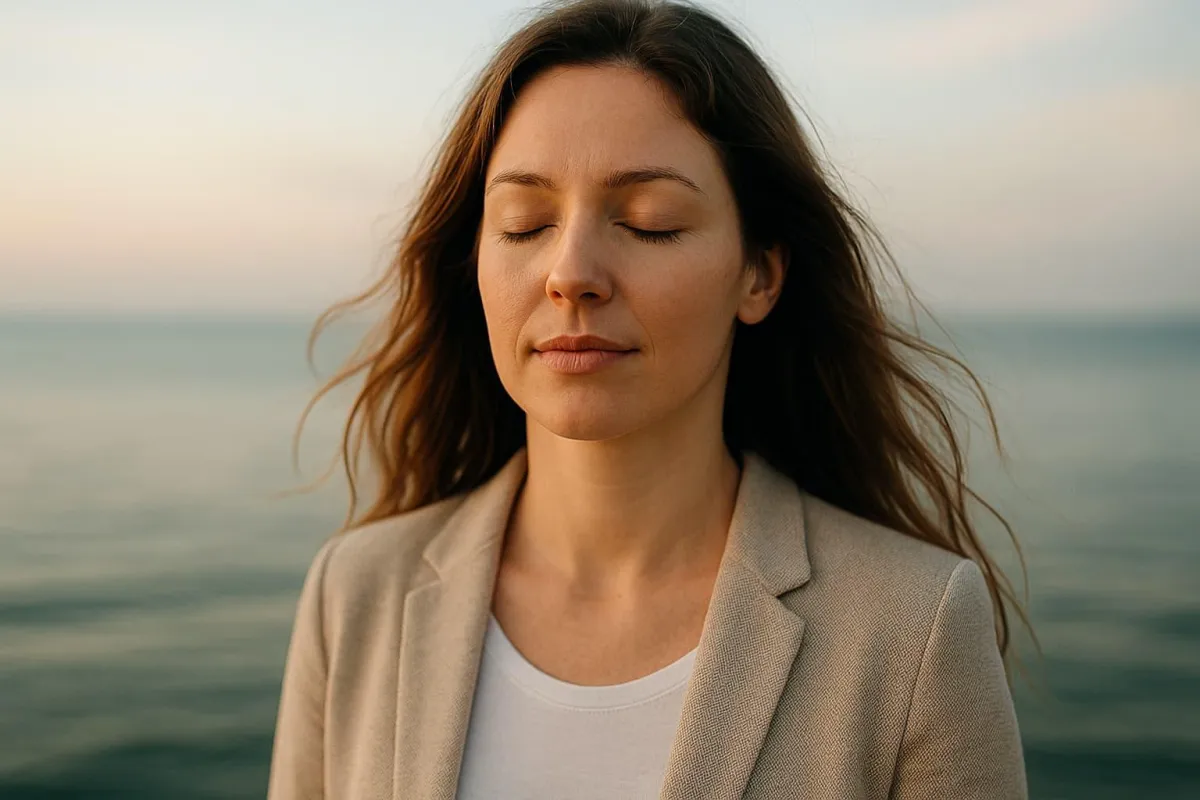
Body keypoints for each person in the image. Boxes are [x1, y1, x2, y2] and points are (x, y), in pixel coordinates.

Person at [268, 0, 1032, 797]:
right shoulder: (354, 594)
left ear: (760, 273)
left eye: (651, 223)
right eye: (525, 224)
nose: (571, 273)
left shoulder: (915, 627)